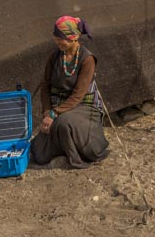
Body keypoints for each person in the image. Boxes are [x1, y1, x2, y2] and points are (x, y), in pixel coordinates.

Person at [32, 16, 109, 168]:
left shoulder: (87, 59)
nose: (57, 42)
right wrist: (47, 112)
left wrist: (55, 113)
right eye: (56, 38)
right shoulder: (54, 57)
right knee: (39, 153)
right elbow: (45, 86)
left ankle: (74, 158)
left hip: (84, 107)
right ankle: (62, 151)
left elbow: (78, 95)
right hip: (59, 107)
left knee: (63, 122)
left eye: (61, 39)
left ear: (74, 37)